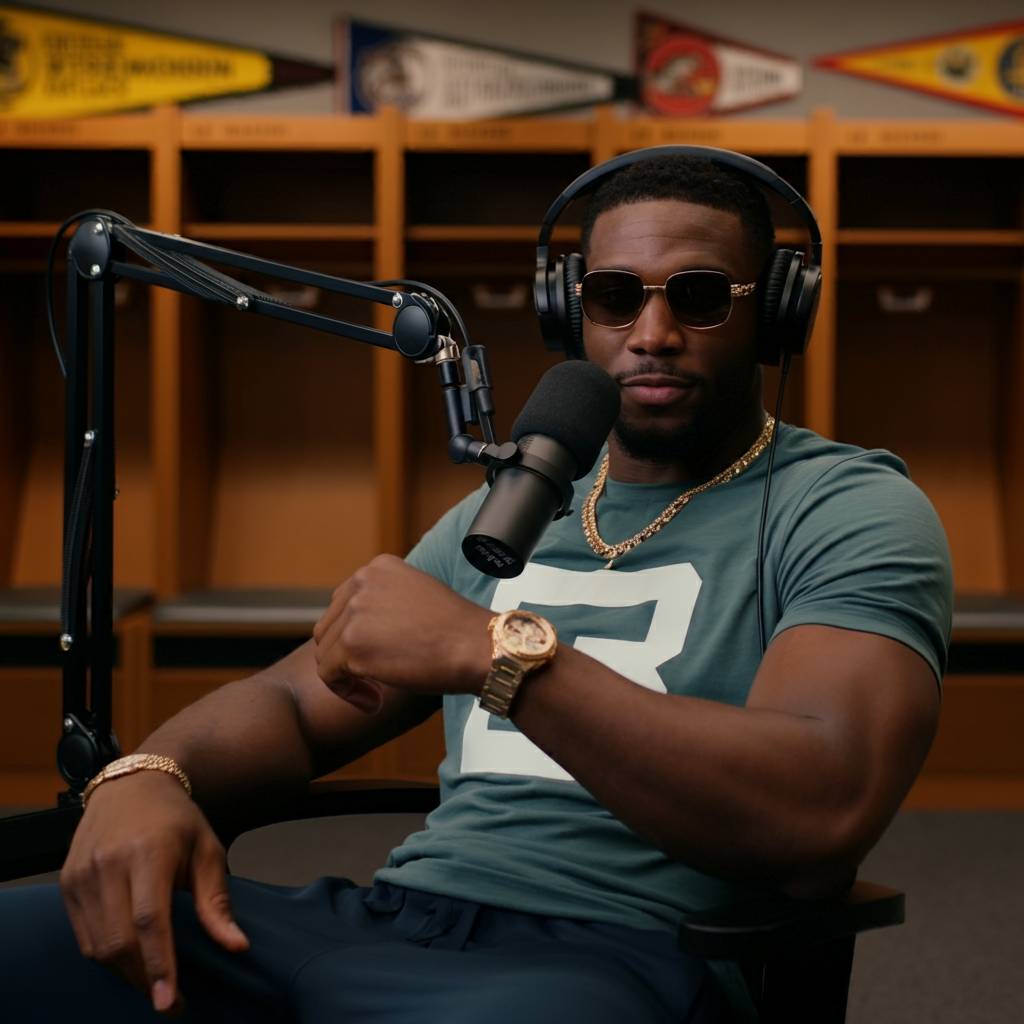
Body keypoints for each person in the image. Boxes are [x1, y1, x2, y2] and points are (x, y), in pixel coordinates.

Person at [0, 153, 952, 1023]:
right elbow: (297, 701)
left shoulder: (845, 506)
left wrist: (494, 653)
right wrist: (150, 774)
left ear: (776, 311)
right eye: (615, 297)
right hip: (383, 921)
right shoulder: (517, 502)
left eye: (700, 297)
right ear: (568, 309)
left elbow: (819, 805)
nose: (651, 333)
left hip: (613, 956)